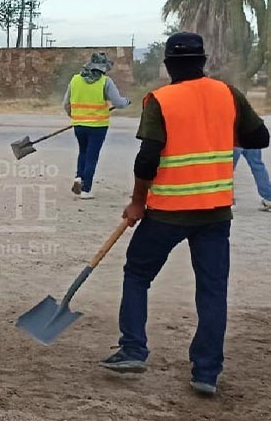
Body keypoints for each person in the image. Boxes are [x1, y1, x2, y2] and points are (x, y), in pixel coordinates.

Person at [100, 32, 269, 397]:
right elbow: (260, 138)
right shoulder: (227, 93)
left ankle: (133, 348)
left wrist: (136, 202)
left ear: (167, 64)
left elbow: (147, 159)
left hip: (168, 212)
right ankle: (206, 373)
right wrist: (219, 134)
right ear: (202, 61)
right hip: (215, 213)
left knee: (137, 273)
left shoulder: (160, 100)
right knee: (212, 292)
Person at [63, 52, 131, 199]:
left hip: (79, 125)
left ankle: (79, 177)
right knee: (92, 156)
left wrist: (74, 116)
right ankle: (86, 190)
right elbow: (118, 103)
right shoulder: (105, 82)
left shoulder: (75, 80)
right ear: (103, 67)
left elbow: (66, 104)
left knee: (83, 152)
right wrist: (127, 101)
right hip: (98, 126)